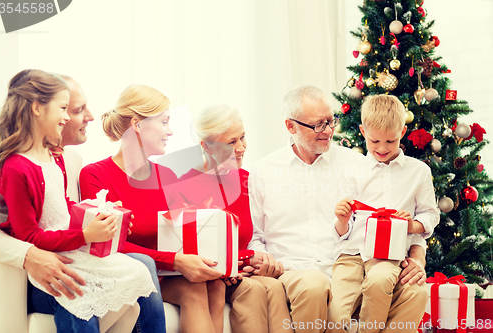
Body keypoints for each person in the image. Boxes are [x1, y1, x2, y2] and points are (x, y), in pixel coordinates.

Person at [248, 85, 429, 333]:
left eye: (331, 121)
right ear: (291, 127)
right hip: (295, 270)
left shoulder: (358, 164)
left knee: (417, 292)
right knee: (314, 285)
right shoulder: (264, 170)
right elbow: (254, 237)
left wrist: (418, 256)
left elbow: (398, 213)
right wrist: (264, 261)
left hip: (353, 266)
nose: (329, 131)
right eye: (318, 125)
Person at [0, 69, 156, 333]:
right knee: (78, 289)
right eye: (66, 108)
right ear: (37, 108)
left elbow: (63, 206)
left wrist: (103, 214)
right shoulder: (13, 166)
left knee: (140, 272)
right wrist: (84, 235)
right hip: (43, 265)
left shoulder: (58, 157)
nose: (71, 116)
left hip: (67, 251)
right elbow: (30, 232)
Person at [79, 84, 226, 333]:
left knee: (215, 284)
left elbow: (184, 233)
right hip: (130, 272)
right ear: (137, 124)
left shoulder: (166, 174)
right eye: (164, 122)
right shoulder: (95, 175)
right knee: (194, 291)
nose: (170, 131)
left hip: (166, 270)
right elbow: (109, 243)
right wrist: (175, 261)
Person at [177, 104, 291, 333]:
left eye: (243, 138)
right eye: (231, 142)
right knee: (254, 290)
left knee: (275, 288)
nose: (241, 148)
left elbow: (256, 234)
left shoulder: (247, 180)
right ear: (206, 146)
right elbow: (190, 247)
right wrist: (244, 259)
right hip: (210, 276)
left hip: (240, 272)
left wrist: (257, 261)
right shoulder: (183, 184)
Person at [330, 94, 439, 333]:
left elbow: (431, 214)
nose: (382, 148)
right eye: (374, 140)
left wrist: (414, 226)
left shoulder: (418, 171)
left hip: (388, 254)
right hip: (351, 254)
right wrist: (342, 219)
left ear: (402, 132)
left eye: (390, 141)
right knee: (337, 316)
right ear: (362, 131)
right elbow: (341, 231)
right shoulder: (352, 170)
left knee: (380, 281)